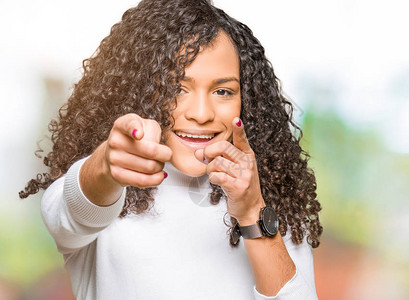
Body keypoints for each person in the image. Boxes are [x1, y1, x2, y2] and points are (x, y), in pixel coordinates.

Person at [20, 0, 323, 299]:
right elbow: (63, 212)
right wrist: (106, 165)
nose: (202, 113)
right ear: (138, 91)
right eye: (177, 88)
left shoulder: (273, 201)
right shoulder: (106, 189)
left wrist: (252, 211)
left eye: (223, 91)